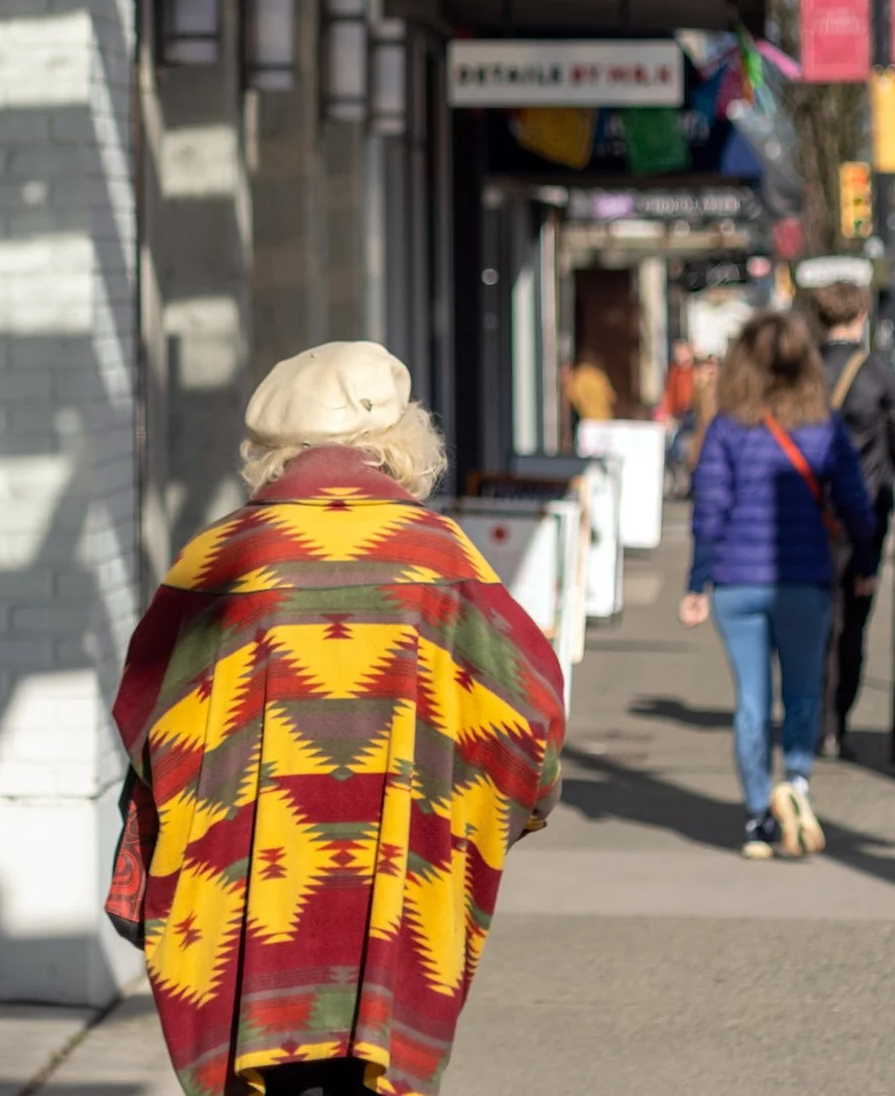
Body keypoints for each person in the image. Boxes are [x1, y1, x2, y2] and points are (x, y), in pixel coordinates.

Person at [107, 342, 566, 1096]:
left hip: (248, 906)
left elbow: (146, 708)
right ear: (404, 443)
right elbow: (531, 710)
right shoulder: (438, 555)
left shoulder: (219, 558)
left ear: (270, 453)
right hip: (400, 887)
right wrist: (497, 802)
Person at [679, 312, 878, 860]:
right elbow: (855, 504)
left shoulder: (725, 427)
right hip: (803, 577)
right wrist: (865, 561)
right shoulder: (823, 423)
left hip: (738, 584)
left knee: (750, 700)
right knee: (803, 692)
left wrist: (698, 581)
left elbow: (710, 509)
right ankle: (796, 780)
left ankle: (755, 821)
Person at [807, 278, 895, 757]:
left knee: (811, 623)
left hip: (805, 516)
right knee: (852, 624)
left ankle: (811, 720)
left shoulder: (803, 373)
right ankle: (838, 724)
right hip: (863, 519)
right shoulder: (878, 375)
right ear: (860, 319)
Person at [565, 356, 616, 424]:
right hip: (605, 421)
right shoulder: (597, 375)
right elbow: (612, 397)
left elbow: (570, 399)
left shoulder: (576, 383)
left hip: (590, 422)